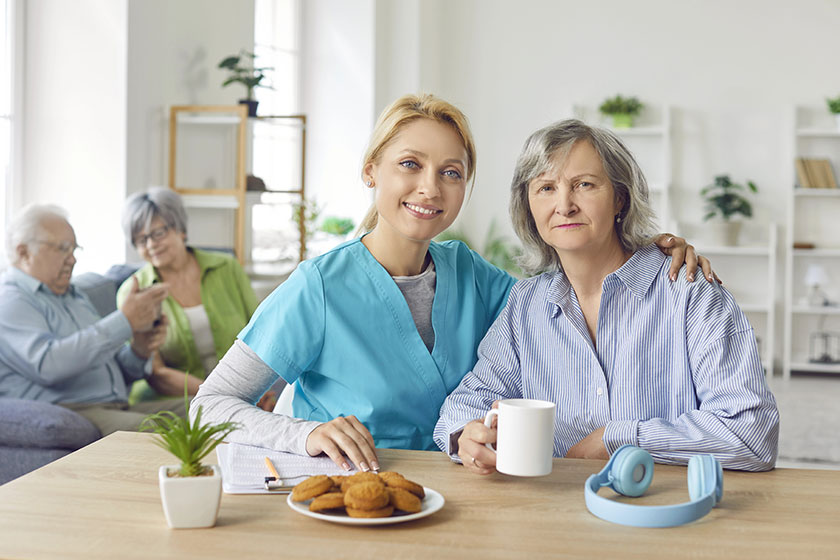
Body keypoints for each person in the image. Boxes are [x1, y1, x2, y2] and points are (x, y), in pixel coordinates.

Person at [192, 94, 714, 473]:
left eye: (451, 172)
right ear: (372, 172)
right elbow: (209, 405)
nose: (429, 187)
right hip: (349, 499)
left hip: (458, 497)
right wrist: (305, 434)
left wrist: (647, 250)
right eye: (410, 165)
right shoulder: (318, 288)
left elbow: (570, 297)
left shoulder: (472, 274)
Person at [434, 119, 779, 472]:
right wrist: (467, 433)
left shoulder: (690, 293)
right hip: (553, 512)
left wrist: (617, 440)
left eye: (584, 185)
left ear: (620, 198)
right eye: (546, 188)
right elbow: (466, 402)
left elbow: (751, 434)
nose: (564, 205)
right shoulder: (525, 304)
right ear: (529, 207)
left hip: (665, 513)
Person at [0, 204, 184, 435]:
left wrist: (140, 349)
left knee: (206, 410)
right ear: (23, 252)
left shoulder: (74, 295)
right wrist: (124, 321)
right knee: (156, 431)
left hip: (116, 406)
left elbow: (119, 372)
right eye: (63, 249)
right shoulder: (10, 300)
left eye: (74, 249)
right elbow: (49, 365)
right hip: (72, 410)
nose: (73, 260)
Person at [115, 188, 270, 407]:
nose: (151, 245)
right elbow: (157, 373)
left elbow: (261, 333)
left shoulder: (227, 268)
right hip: (174, 400)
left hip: (241, 391)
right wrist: (224, 396)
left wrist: (256, 389)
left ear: (180, 229)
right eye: (141, 240)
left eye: (158, 233)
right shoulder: (133, 292)